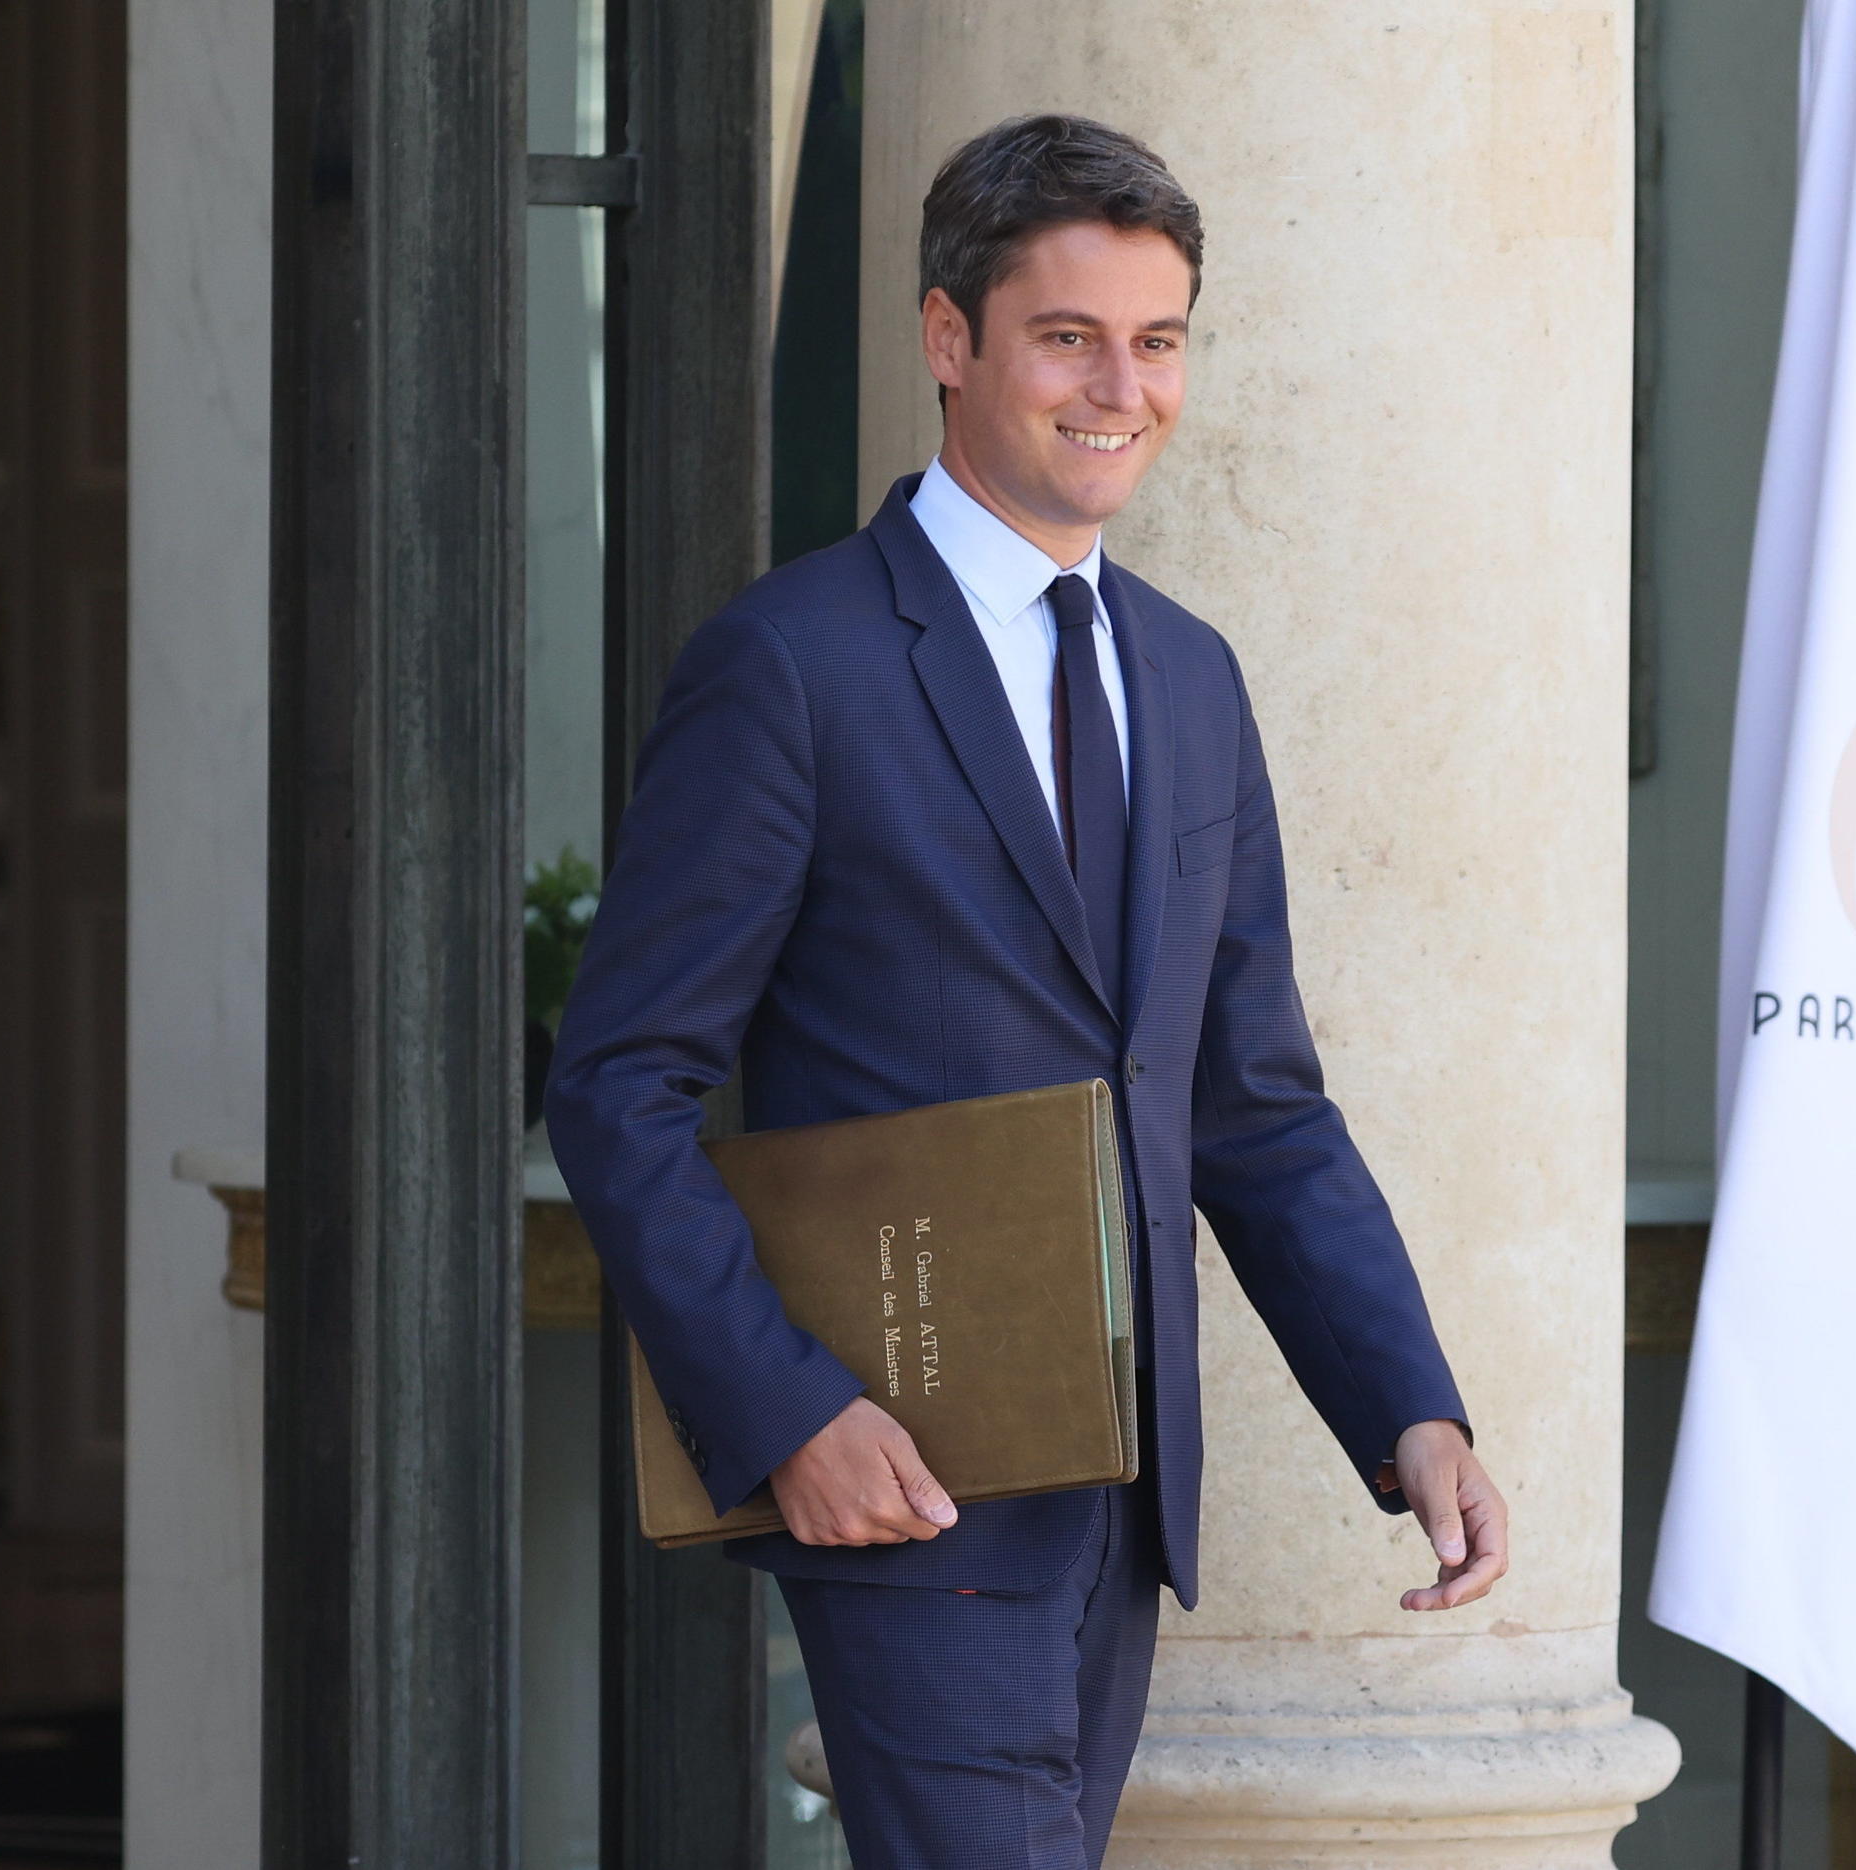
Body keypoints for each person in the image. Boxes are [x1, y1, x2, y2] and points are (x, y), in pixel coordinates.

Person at [546, 113, 1504, 1867]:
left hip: (1124, 1500)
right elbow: (615, 1081)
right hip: (904, 1474)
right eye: (1068, 336)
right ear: (948, 341)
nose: (1118, 389)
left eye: (1159, 341)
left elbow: (1255, 1102)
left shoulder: (1193, 682)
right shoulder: (790, 666)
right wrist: (786, 1414)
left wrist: (1409, 1410)